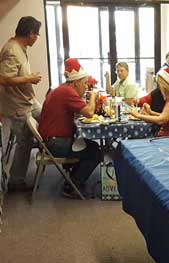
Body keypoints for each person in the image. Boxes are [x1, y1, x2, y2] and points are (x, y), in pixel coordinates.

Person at [38, 58, 100, 198]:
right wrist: (93, 97)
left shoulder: (63, 89)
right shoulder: (67, 92)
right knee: (95, 151)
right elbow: (89, 113)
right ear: (76, 82)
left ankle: (72, 179)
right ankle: (73, 185)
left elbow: (77, 112)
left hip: (50, 140)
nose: (85, 87)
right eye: (84, 84)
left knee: (88, 145)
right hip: (55, 144)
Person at [1, 16, 44, 191]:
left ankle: (56, 152)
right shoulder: (11, 49)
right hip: (18, 105)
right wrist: (29, 78)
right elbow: (3, 79)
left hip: (27, 100)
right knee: (25, 140)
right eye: (37, 35)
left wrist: (28, 78)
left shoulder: (20, 47)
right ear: (31, 33)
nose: (37, 38)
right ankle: (16, 181)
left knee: (47, 115)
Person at [130, 68, 169, 137]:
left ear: (165, 86)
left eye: (159, 85)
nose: (158, 87)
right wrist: (151, 112)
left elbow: (161, 120)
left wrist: (138, 115)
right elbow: (165, 116)